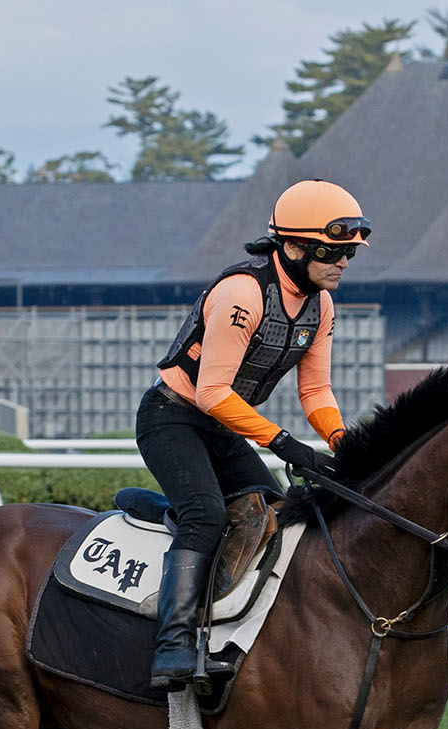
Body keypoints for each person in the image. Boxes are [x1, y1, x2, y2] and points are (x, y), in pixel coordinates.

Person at [137, 178, 368, 691]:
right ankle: (173, 646)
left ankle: (235, 621)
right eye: (334, 251)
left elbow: (317, 390)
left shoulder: (321, 306)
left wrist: (341, 441)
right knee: (207, 514)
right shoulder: (242, 293)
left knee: (273, 514)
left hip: (222, 427)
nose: (344, 263)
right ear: (293, 246)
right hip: (172, 417)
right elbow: (212, 392)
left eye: (350, 253)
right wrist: (283, 443)